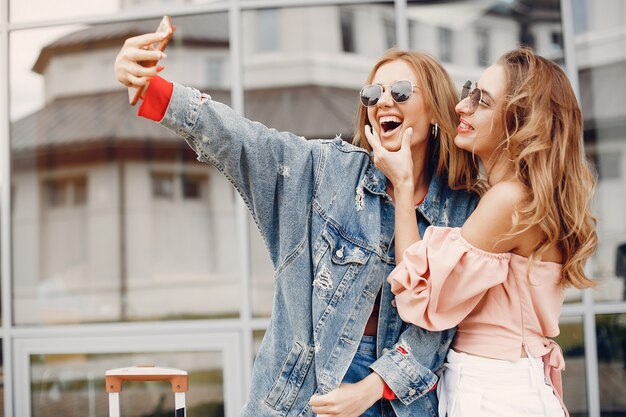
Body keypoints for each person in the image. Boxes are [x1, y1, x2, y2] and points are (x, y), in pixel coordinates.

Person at [115, 30, 479, 417]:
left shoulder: (462, 210)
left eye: (402, 91)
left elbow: (438, 329)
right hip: (303, 398)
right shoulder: (329, 173)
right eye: (373, 94)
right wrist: (152, 89)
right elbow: (246, 142)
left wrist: (371, 388)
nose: (383, 101)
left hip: (400, 401)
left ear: (436, 108)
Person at [376, 47, 597, 417]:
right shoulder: (523, 197)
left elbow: (421, 295)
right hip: (504, 384)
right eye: (469, 91)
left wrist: (402, 184)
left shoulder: (510, 200)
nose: (462, 107)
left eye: (482, 101)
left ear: (520, 121)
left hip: (495, 391)